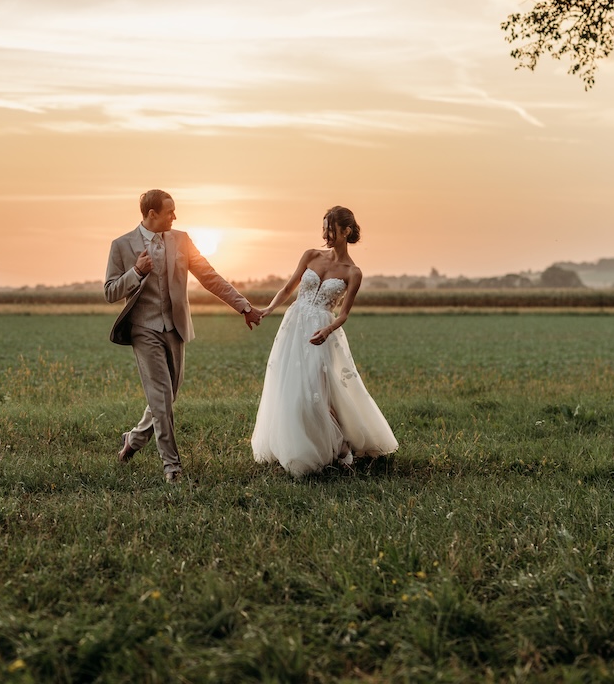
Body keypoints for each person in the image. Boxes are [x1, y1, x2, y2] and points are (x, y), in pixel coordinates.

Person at [106, 189, 264, 483]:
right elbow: (110, 291)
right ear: (152, 214)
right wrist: (136, 272)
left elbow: (209, 276)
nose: (175, 216)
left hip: (175, 327)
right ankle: (172, 467)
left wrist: (243, 306)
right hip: (143, 329)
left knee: (169, 396)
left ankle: (134, 438)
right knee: (161, 400)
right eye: (170, 211)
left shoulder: (182, 240)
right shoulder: (121, 245)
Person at [251, 206, 398, 477]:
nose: (325, 234)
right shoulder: (311, 255)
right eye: (323, 228)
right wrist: (268, 310)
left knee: (317, 390)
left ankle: (338, 446)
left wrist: (327, 330)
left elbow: (343, 315)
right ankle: (298, 446)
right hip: (294, 326)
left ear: (346, 231)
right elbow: (287, 288)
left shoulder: (353, 272)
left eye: (331, 229)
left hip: (322, 332)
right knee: (292, 389)